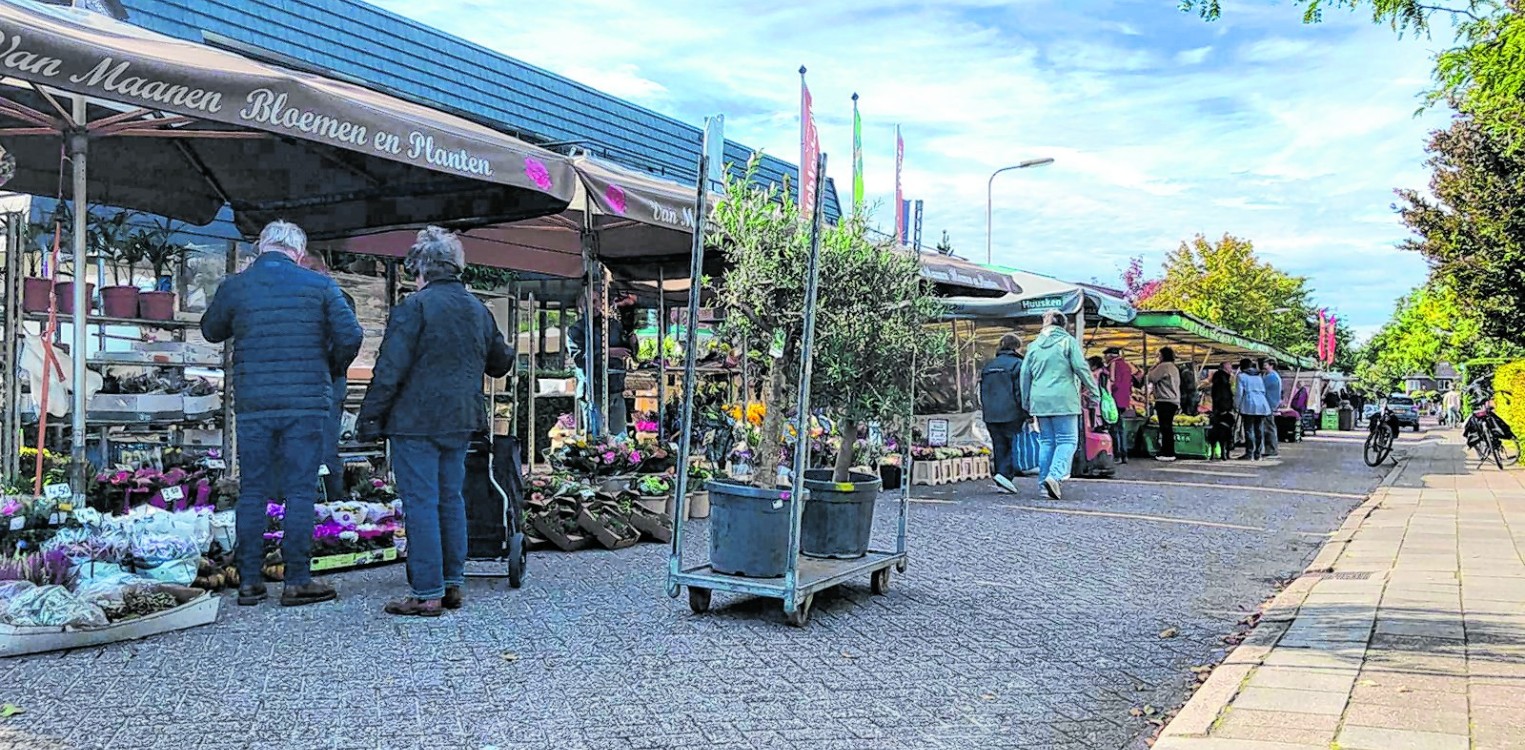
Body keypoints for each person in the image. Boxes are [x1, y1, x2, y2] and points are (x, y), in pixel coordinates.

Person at [202, 221, 363, 608]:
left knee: (253, 489)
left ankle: (249, 582)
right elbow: (351, 335)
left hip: (254, 402)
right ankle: (297, 581)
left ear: (261, 247)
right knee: (300, 490)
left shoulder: (237, 285)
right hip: (307, 403)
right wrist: (330, 368)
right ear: (299, 252)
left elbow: (211, 330)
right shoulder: (320, 285)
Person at [357, 227, 514, 617]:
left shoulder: (415, 307)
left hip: (415, 421)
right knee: (451, 498)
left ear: (422, 269)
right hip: (461, 418)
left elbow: (390, 369)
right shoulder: (478, 309)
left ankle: (427, 592)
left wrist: (370, 416)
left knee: (421, 503)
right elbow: (500, 363)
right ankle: (452, 583)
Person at [1020, 311, 1100, 500]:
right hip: (1064, 399)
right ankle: (1054, 476)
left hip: (1040, 400)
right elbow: (1081, 368)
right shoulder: (1067, 342)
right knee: (1067, 440)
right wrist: (1094, 391)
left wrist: (1026, 401)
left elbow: (1024, 374)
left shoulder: (1034, 346)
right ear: (1064, 325)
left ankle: (1043, 485)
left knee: (1046, 441)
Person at [300, 253, 357, 502]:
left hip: (327, 381)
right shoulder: (336, 298)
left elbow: (347, 340)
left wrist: (329, 367)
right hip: (325, 379)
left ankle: (331, 505)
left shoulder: (338, 299)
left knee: (324, 449)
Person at [567, 290, 635, 437]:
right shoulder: (576, 330)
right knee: (596, 437)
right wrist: (608, 353)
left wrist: (631, 336)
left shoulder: (614, 326)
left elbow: (630, 351)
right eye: (587, 303)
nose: (593, 306)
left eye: (595, 301)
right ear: (580, 307)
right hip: (592, 389)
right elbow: (580, 359)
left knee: (619, 437)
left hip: (615, 387)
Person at [980, 333, 1028, 494]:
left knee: (999, 445)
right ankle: (1005, 476)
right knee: (1014, 445)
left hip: (991, 413)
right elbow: (1020, 391)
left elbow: (981, 391)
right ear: (1017, 347)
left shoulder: (989, 366)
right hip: (1012, 411)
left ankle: (1002, 476)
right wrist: (1026, 410)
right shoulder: (1018, 364)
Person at [1146, 348, 1182, 462]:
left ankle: (1167, 452)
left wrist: (1154, 366)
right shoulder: (1174, 367)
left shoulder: (1163, 366)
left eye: (1159, 355)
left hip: (1164, 400)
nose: (1158, 357)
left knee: (1165, 427)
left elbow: (1150, 378)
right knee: (1168, 427)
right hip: (1173, 400)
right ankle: (1169, 451)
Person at [1103, 348, 1138, 464]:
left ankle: (1117, 454)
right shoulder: (1126, 366)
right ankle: (1124, 454)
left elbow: (1114, 383)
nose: (1105, 358)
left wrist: (1106, 391)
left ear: (1110, 356)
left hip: (1114, 400)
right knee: (1121, 428)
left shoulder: (1113, 365)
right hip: (1124, 400)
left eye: (1106, 356)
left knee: (1114, 428)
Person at [1235, 358, 1272, 460]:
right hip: (1261, 403)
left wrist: (1237, 405)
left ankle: (1249, 453)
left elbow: (1239, 393)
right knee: (1259, 429)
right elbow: (1263, 391)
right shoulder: (1258, 376)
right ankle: (1258, 453)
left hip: (1249, 403)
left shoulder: (1241, 376)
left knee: (1249, 429)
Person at [1209, 367, 1237, 460]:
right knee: (1226, 436)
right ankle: (1226, 454)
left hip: (1218, 411)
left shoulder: (1216, 384)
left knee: (1215, 435)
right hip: (1226, 410)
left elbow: (1215, 397)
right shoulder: (1226, 384)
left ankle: (1213, 454)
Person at [1261, 358, 1283, 458]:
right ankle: (1270, 449)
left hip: (1268, 405)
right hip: (1271, 404)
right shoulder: (1275, 376)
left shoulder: (1270, 377)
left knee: (1268, 428)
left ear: (1271, 365)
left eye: (1265, 365)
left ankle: (1271, 450)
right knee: (1270, 427)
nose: (1263, 367)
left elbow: (1261, 386)